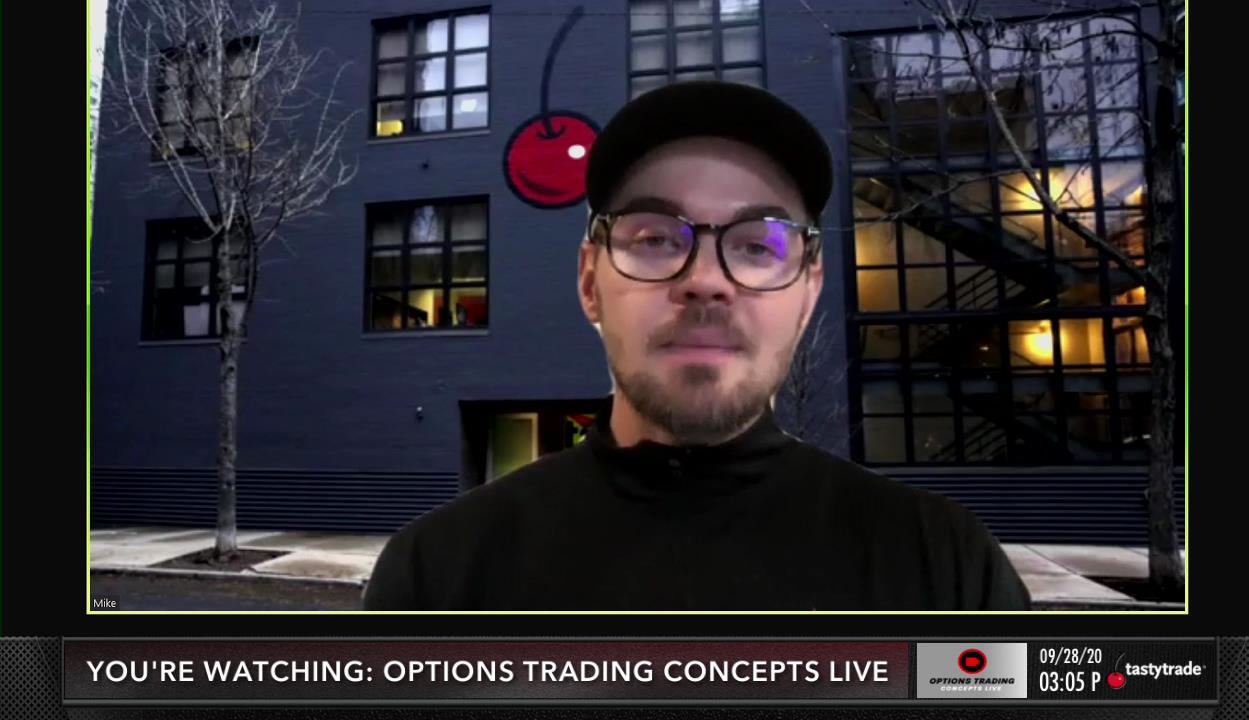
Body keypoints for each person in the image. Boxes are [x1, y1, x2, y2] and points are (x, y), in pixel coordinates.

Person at [364, 81, 1031, 610]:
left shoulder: (949, 573)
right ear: (590, 283)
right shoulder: (437, 576)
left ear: (808, 292)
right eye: (655, 238)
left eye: (758, 244)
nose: (706, 280)